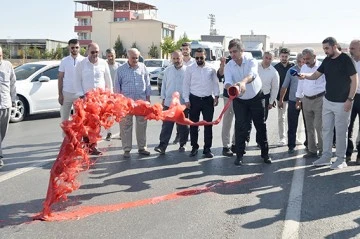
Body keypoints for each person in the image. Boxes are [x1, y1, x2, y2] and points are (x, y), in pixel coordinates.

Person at [299, 37, 358, 170]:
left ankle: (341, 159)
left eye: (327, 48)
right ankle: (326, 157)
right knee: (326, 130)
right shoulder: (327, 60)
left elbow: (355, 80)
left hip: (342, 103)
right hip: (328, 101)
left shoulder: (346, 59)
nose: (325, 51)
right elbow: (316, 75)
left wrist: (350, 99)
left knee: (341, 132)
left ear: (334, 46)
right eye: (324, 48)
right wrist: (304, 76)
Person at [224, 39, 272, 166]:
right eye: (230, 52)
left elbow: (252, 75)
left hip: (257, 97)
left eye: (235, 51)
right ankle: (239, 155)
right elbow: (227, 81)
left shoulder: (251, 60)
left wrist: (243, 82)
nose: (232, 55)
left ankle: (265, 154)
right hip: (240, 100)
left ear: (242, 51)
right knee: (240, 127)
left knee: (260, 125)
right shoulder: (229, 65)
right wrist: (231, 87)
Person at [74, 42, 113, 155]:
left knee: (97, 124)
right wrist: (81, 96)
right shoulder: (81, 64)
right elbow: (77, 81)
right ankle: (87, 146)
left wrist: (109, 95)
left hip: (100, 100)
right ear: (87, 51)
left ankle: (93, 146)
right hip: (85, 99)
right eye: (92, 52)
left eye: (97, 52)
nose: (95, 54)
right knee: (86, 125)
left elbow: (108, 80)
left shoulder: (103, 63)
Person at [183, 48, 220, 158]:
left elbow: (215, 83)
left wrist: (216, 96)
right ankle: (194, 147)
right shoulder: (190, 69)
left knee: (208, 125)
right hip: (194, 100)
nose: (199, 60)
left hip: (208, 100)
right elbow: (186, 85)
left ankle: (207, 149)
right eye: (197, 58)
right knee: (194, 125)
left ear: (205, 56)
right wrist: (186, 100)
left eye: (201, 57)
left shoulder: (211, 68)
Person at [114, 48, 151, 158]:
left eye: (137, 58)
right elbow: (117, 87)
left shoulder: (143, 67)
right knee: (125, 125)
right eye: (133, 58)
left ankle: (142, 148)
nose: (135, 60)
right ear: (127, 57)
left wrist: (148, 99)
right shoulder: (120, 70)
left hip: (141, 101)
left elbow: (148, 83)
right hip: (126, 103)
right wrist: (118, 102)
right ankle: (126, 149)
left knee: (142, 125)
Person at [154, 50, 189, 154]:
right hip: (169, 103)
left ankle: (183, 144)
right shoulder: (168, 70)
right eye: (174, 58)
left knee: (183, 126)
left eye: (178, 58)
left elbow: (189, 86)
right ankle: (162, 146)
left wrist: (188, 100)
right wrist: (163, 98)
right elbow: (164, 85)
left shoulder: (187, 70)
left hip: (182, 103)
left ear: (182, 57)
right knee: (166, 125)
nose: (176, 60)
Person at [296, 48, 326, 159]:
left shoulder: (322, 66)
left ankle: (323, 151)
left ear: (314, 56)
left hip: (319, 99)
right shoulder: (303, 67)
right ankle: (312, 150)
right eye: (304, 59)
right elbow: (301, 84)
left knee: (319, 126)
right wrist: (298, 98)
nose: (305, 61)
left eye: (308, 58)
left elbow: (327, 83)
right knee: (309, 127)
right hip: (306, 100)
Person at [279, 53, 308, 154]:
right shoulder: (291, 71)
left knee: (308, 124)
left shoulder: (309, 70)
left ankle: (309, 144)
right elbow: (285, 86)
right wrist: (281, 99)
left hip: (307, 101)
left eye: (303, 61)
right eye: (299, 61)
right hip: (292, 100)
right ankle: (291, 145)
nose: (301, 63)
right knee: (292, 124)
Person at [172, 42, 195, 145]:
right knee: (179, 116)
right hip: (179, 94)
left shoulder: (194, 62)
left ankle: (190, 133)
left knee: (190, 116)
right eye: (183, 49)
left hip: (191, 93)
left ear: (190, 50)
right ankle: (179, 135)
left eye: (187, 49)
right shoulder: (178, 60)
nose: (185, 50)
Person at [58, 39, 84, 124]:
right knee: (64, 120)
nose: (75, 49)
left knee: (79, 121)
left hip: (79, 95)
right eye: (72, 47)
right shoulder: (64, 61)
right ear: (69, 48)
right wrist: (60, 95)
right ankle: (65, 137)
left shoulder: (84, 60)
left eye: (77, 47)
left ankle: (77, 138)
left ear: (79, 48)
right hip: (66, 94)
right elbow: (60, 78)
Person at [0, 47, 16, 168]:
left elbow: (13, 83)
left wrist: (14, 99)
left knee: (2, 133)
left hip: (5, 104)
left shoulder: (8, 65)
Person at [274, 48, 294, 146]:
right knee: (281, 118)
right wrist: (274, 98)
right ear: (279, 56)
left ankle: (294, 137)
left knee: (292, 118)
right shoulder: (276, 68)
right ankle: (282, 138)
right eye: (282, 56)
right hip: (280, 97)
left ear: (289, 57)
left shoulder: (293, 67)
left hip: (293, 97)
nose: (284, 58)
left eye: (286, 56)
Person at [217, 55, 236, 156]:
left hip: (241, 95)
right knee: (227, 121)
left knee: (240, 121)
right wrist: (223, 65)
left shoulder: (244, 60)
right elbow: (220, 75)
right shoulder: (228, 60)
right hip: (228, 96)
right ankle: (226, 146)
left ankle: (235, 144)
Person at [345, 39, 360, 165]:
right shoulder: (348, 61)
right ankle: (347, 153)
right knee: (347, 125)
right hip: (350, 97)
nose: (350, 50)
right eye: (350, 48)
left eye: (353, 48)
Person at [104, 48, 121, 141]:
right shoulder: (104, 66)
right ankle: (109, 133)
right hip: (107, 95)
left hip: (118, 94)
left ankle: (122, 133)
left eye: (112, 55)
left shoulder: (119, 66)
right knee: (108, 115)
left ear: (115, 55)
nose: (110, 58)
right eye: (108, 56)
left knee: (119, 114)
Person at [258, 51, 279, 121]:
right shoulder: (255, 67)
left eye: (270, 58)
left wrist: (271, 102)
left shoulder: (274, 72)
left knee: (262, 119)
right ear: (263, 57)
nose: (267, 60)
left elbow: (275, 88)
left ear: (272, 59)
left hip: (264, 97)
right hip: (252, 96)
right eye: (266, 57)